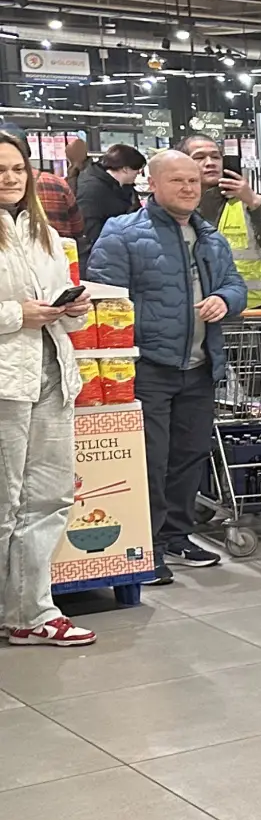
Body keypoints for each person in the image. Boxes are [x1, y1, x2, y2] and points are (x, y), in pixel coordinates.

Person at [83, 148, 245, 585]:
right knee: (149, 460)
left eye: (193, 180)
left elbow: (236, 285)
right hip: (146, 368)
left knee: (190, 456)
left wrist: (224, 299)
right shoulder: (122, 233)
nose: (189, 188)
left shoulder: (210, 237)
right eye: (177, 180)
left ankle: (176, 535)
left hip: (200, 367)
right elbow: (104, 300)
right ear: (151, 184)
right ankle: (146, 546)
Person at [0, 133, 93, 646]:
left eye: (18, 169)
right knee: (3, 502)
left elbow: (61, 310)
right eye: (0, 170)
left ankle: (31, 613)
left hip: (53, 376)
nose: (10, 178)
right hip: (5, 382)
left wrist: (71, 309)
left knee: (49, 498)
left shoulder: (45, 233)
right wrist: (17, 315)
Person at [182, 133, 261, 308]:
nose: (210, 163)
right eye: (199, 157)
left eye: (216, 157)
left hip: (247, 309)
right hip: (194, 308)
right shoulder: (175, 206)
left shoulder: (249, 202)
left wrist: (254, 202)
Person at [73, 143, 143, 257]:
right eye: (137, 169)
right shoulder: (92, 188)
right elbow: (89, 226)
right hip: (100, 252)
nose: (138, 173)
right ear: (125, 169)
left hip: (118, 247)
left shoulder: (125, 187)